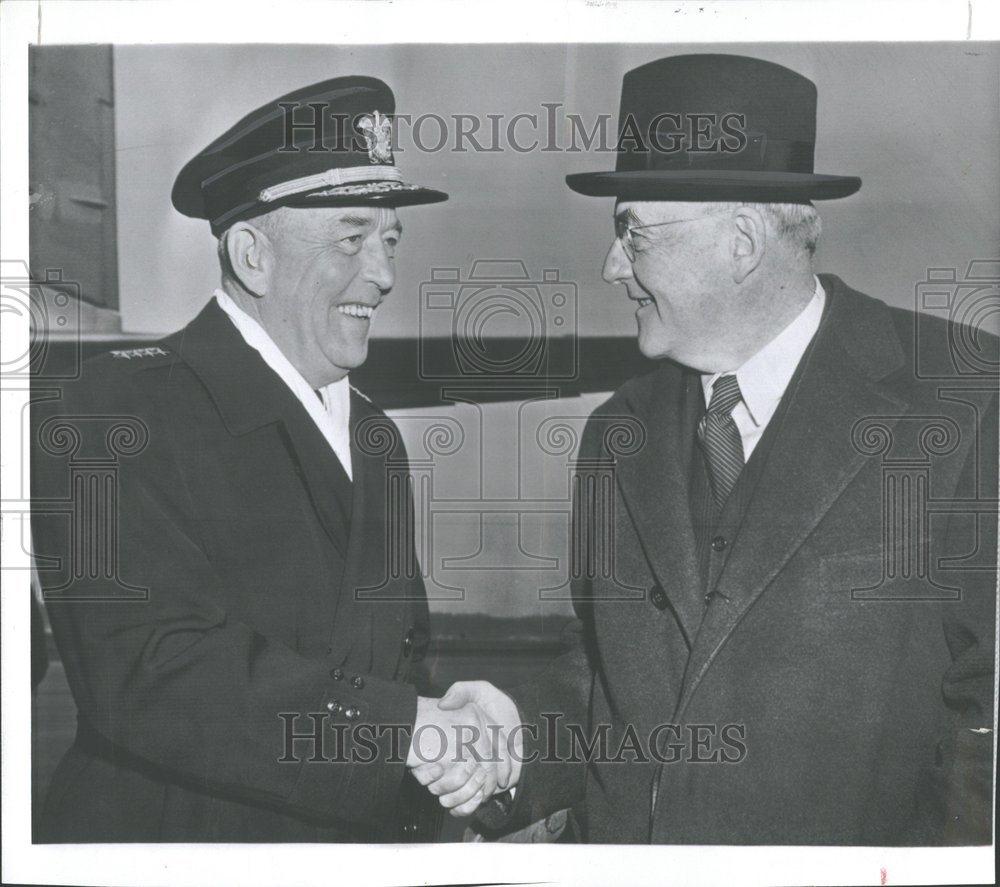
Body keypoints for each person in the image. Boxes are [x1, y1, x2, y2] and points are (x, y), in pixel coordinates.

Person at [426, 54, 997, 844]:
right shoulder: (617, 433)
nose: (611, 265)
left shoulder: (968, 402)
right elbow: (605, 683)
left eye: (633, 232)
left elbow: (986, 738)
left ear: (741, 241)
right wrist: (515, 732)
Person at [31, 75, 509, 842]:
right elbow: (154, 672)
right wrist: (404, 728)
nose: (383, 274)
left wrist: (455, 726)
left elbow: (372, 665)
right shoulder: (114, 410)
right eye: (350, 238)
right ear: (251, 254)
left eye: (389, 240)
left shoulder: (372, 433)